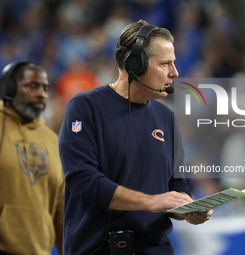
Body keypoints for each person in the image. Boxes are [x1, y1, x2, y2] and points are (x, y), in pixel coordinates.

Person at [58, 20, 213, 255]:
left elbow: (176, 184)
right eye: (165, 64)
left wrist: (186, 207)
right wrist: (150, 202)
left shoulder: (167, 118)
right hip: (96, 249)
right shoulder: (85, 107)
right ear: (135, 64)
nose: (175, 72)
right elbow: (83, 180)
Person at [0, 62, 64, 255]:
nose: (41, 94)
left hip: (40, 250)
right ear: (8, 88)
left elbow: (61, 214)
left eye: (45, 88)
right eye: (32, 86)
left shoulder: (52, 140)